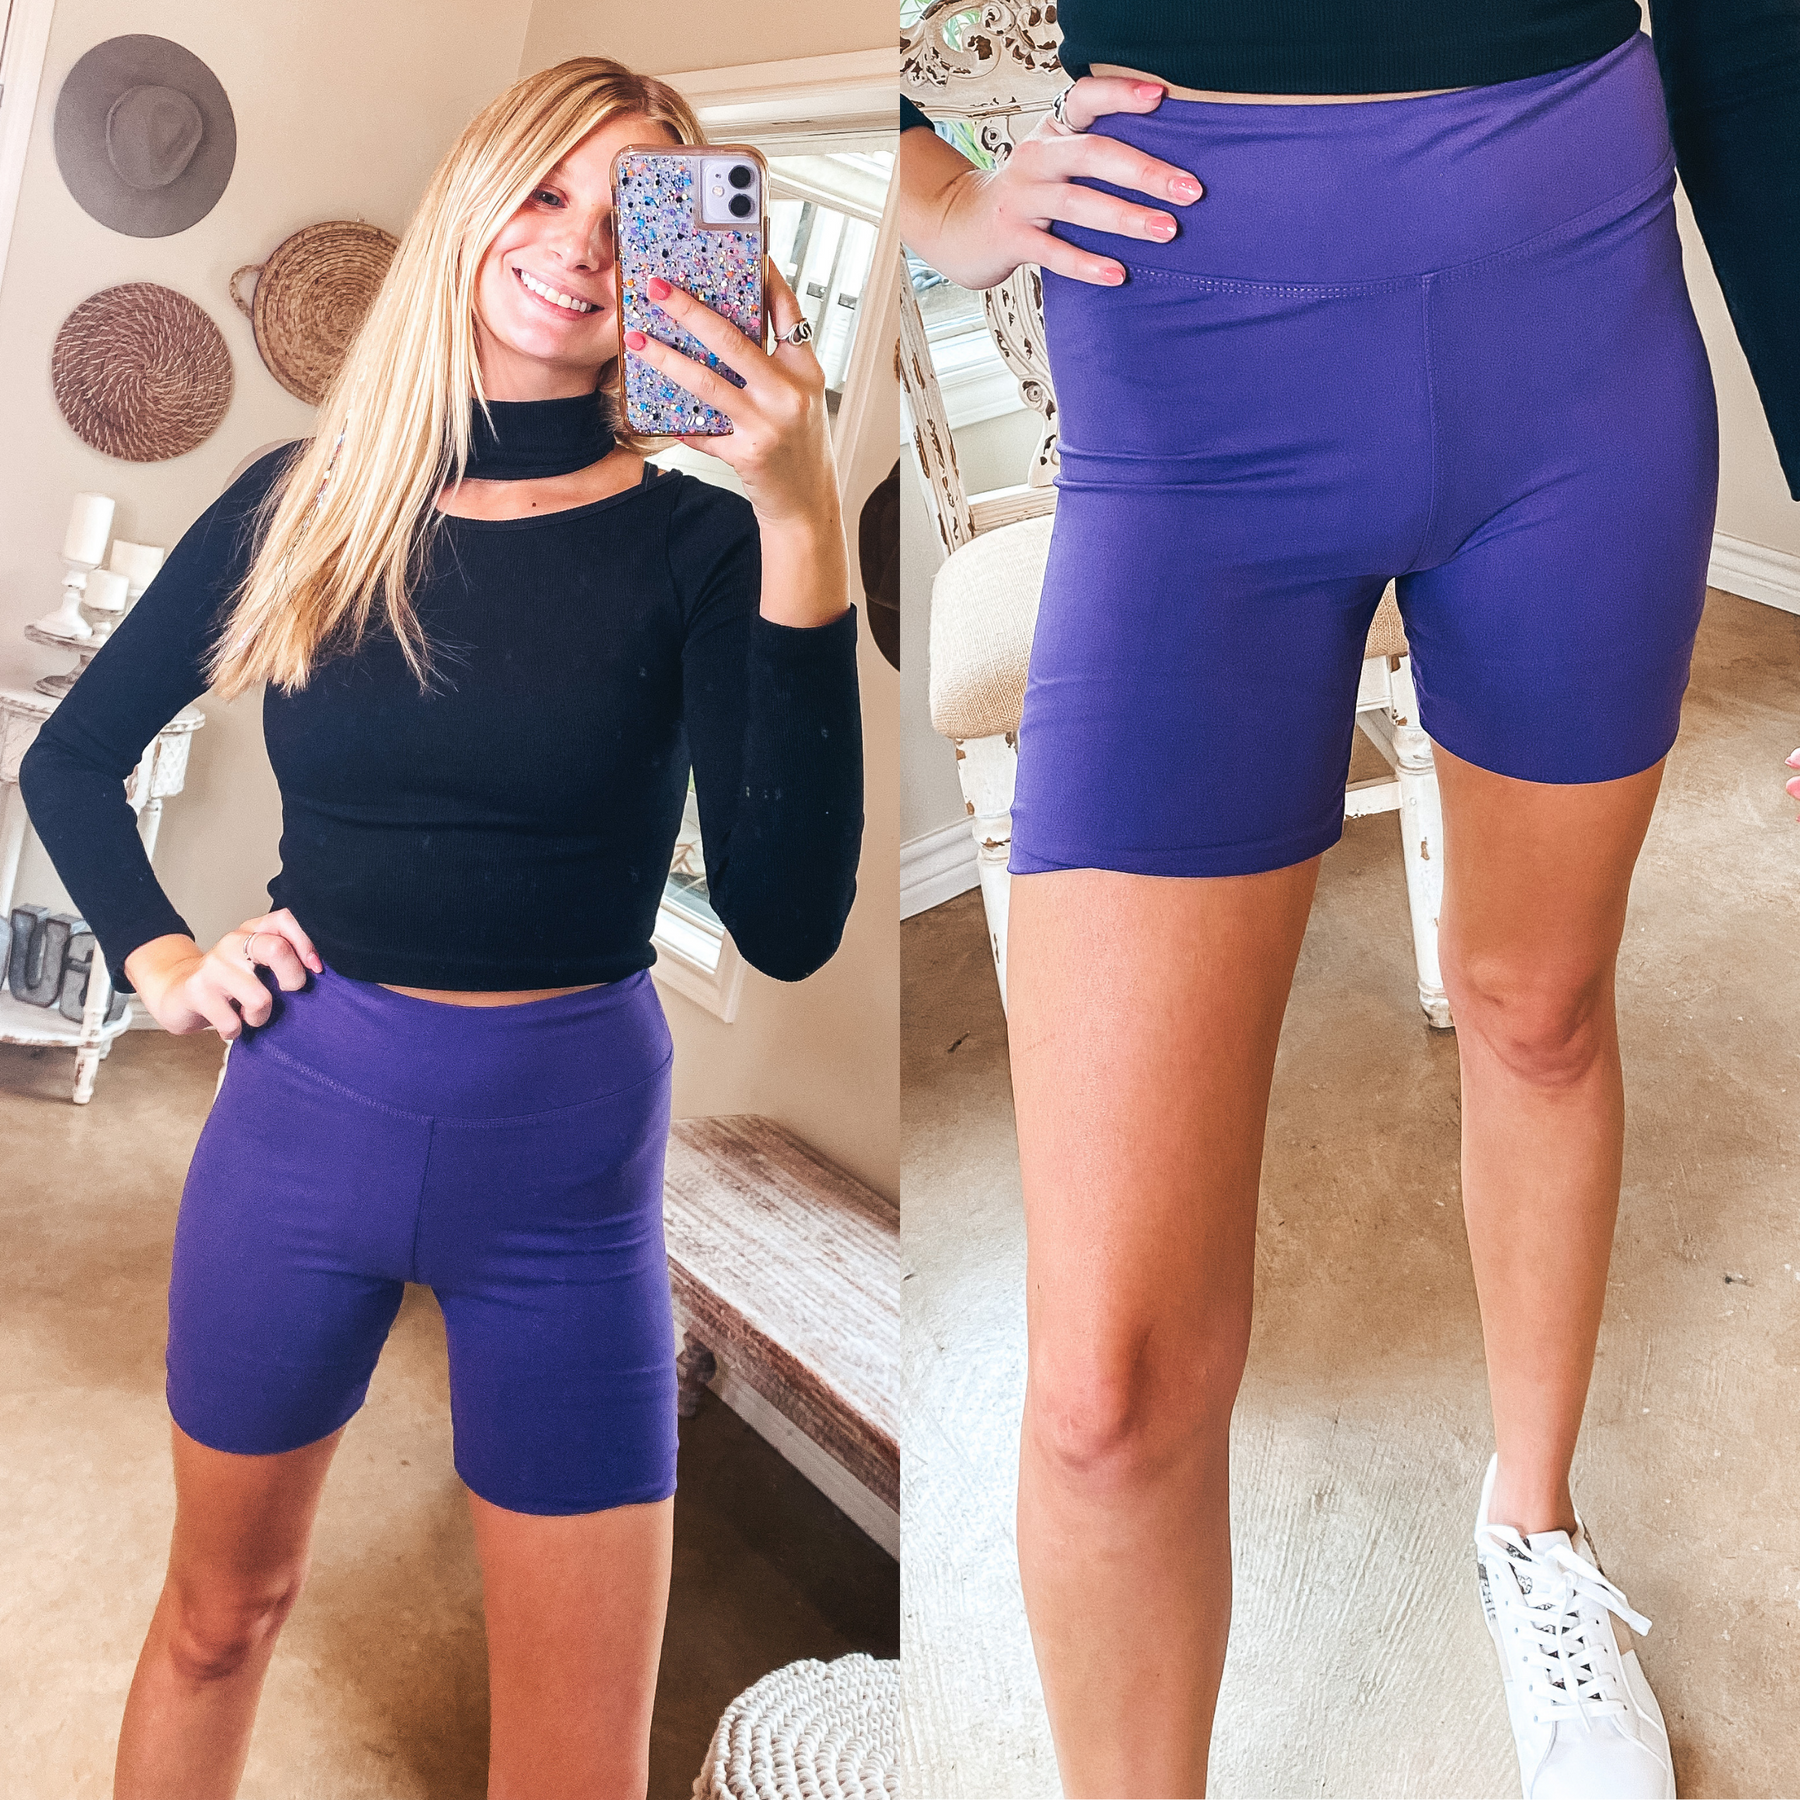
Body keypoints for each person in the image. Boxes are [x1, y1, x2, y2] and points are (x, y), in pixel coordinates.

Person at [898, 1, 1797, 1794]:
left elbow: (1752, 47)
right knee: (1102, 1393)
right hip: (1192, 390)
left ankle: (1531, 1525)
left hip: (1578, 356)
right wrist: (938, 193)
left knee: (1539, 1010)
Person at [21, 55, 862, 1800]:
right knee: (218, 1619)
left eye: (633, 216)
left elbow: (784, 922)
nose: (578, 246)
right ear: (472, 201)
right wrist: (164, 958)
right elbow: (72, 759)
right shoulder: (301, 498)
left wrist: (801, 511)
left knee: (575, 1759)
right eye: (545, 190)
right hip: (302, 1117)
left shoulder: (707, 546)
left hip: (568, 1170)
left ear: (686, 263)